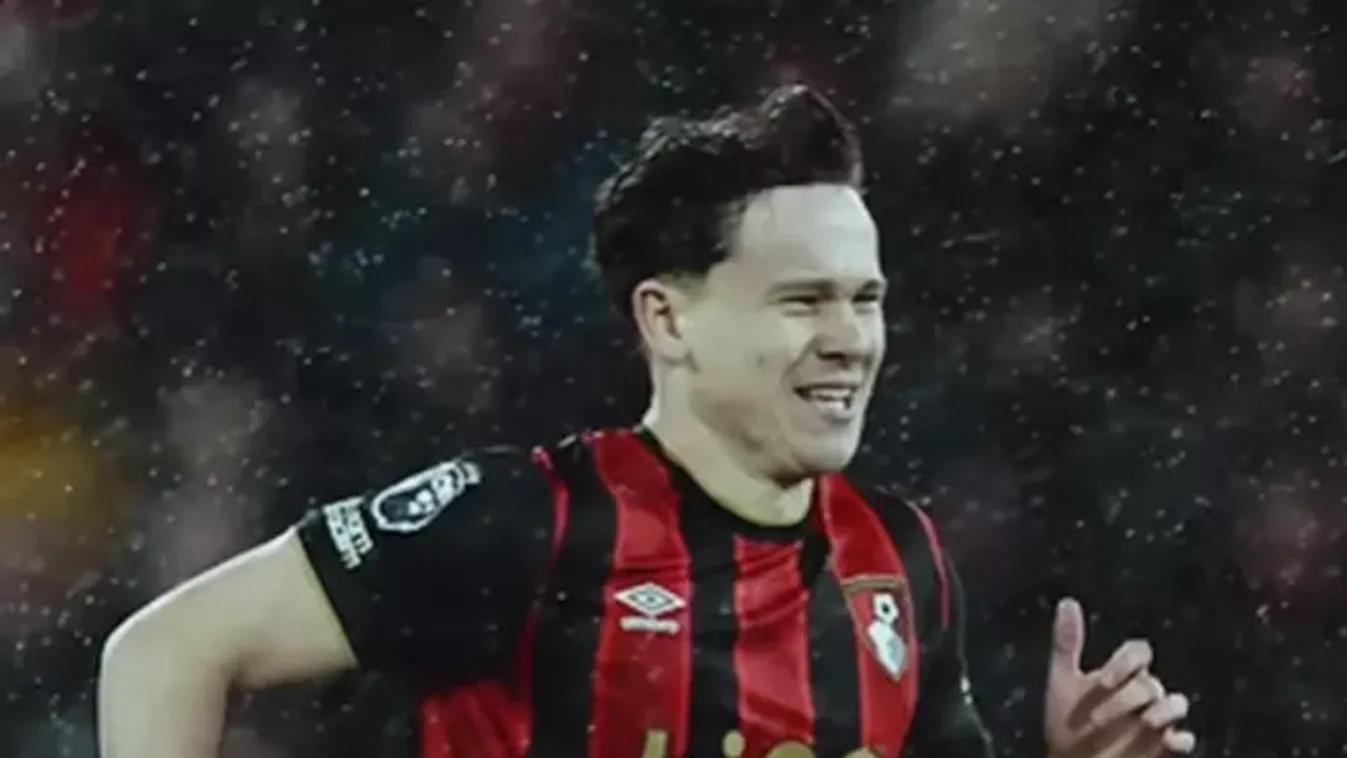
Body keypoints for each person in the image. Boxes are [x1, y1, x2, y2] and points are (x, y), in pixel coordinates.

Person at [99, 84, 1196, 758]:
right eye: (802, 301)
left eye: (865, 300)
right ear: (668, 319)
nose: (850, 339)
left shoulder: (899, 560)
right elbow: (165, 651)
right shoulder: (523, 521)